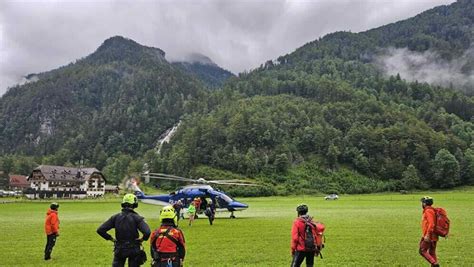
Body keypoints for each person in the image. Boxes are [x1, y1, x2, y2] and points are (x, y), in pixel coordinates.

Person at [97, 193, 151, 267]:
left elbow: (100, 230)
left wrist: (111, 239)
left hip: (119, 248)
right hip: (134, 249)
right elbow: (147, 232)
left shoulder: (115, 217)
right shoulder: (137, 218)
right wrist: (142, 239)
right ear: (134, 204)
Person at [419, 196, 440, 267]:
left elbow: (431, 224)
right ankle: (434, 264)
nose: (421, 204)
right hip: (433, 235)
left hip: (430, 235)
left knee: (422, 250)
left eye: (422, 202)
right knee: (432, 252)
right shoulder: (431, 210)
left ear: (424, 203)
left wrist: (427, 235)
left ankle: (435, 264)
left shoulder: (428, 211)